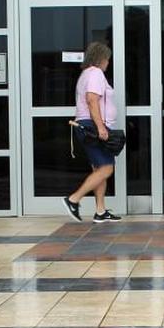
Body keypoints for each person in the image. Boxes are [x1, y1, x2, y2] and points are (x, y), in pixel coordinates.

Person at [62, 41, 121, 223]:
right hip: (93, 126)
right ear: (101, 58)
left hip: (88, 125)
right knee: (106, 168)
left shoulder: (85, 74)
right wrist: (101, 127)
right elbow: (92, 100)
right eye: (107, 59)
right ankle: (73, 199)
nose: (108, 63)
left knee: (98, 168)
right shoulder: (96, 73)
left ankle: (100, 211)